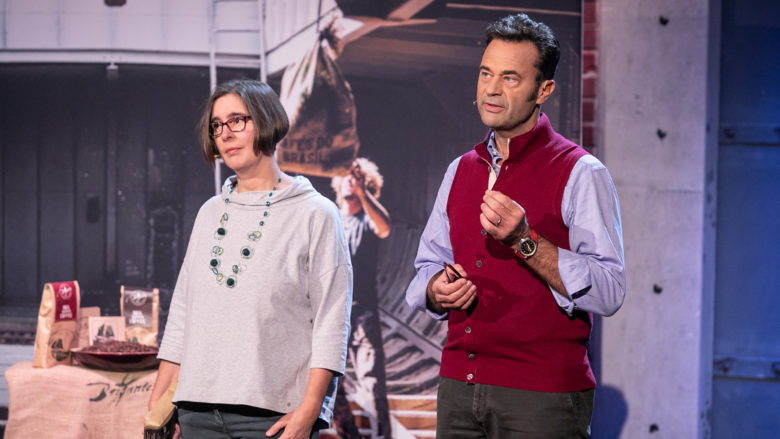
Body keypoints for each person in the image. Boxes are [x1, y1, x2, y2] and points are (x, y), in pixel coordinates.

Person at [405, 13, 626, 438]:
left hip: (540, 396)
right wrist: (437, 290)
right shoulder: (460, 169)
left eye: (510, 78)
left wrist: (525, 241)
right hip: (457, 387)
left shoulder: (581, 172)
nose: (491, 89)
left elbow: (610, 290)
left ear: (544, 90)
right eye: (486, 73)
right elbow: (426, 267)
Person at [148, 79, 352, 439]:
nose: (225, 133)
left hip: (271, 418)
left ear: (267, 121)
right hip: (195, 412)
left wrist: (309, 412)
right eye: (217, 125)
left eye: (237, 120)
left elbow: (332, 321)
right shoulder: (210, 212)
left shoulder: (316, 213)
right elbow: (182, 313)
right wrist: (159, 404)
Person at [330, 158, 393, 438]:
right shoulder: (327, 217)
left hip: (363, 312)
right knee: (326, 382)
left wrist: (364, 194)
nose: (350, 179)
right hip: (331, 314)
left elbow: (385, 227)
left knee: (372, 381)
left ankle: (382, 436)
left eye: (356, 177)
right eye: (346, 175)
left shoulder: (368, 220)